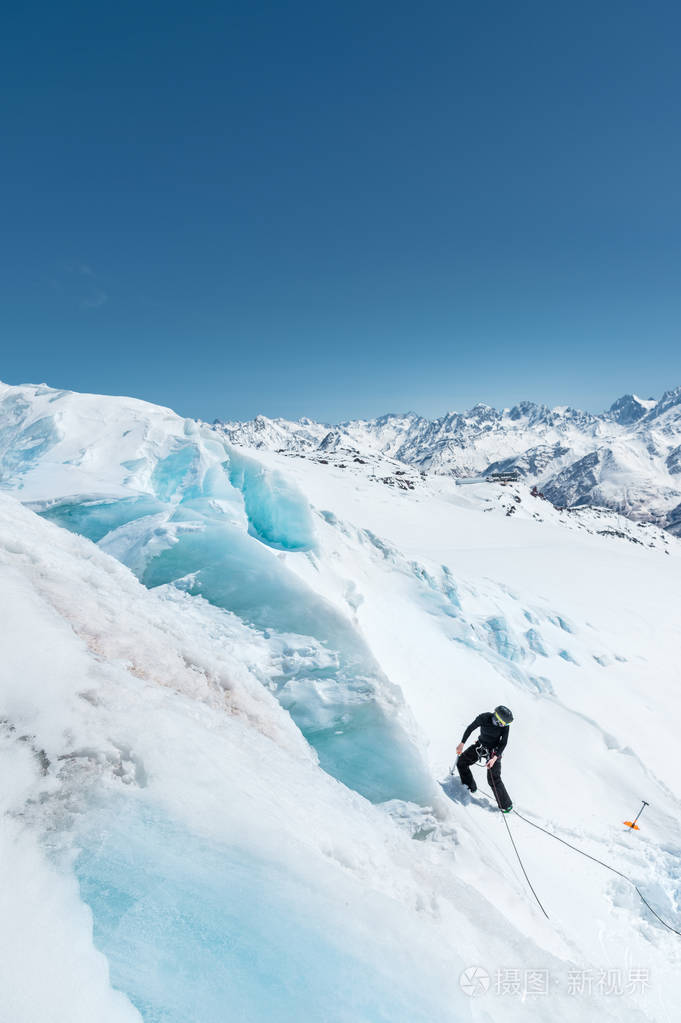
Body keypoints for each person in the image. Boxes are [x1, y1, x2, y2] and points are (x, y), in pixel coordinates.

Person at [456, 705, 514, 812]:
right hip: (480, 746)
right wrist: (462, 743)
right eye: (502, 723)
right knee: (462, 762)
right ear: (496, 717)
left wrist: (494, 758)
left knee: (493, 779)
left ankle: (506, 805)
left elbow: (503, 743)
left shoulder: (505, 726)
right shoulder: (484, 718)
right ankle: (470, 787)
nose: (503, 726)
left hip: (494, 752)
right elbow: (470, 728)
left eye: (506, 724)